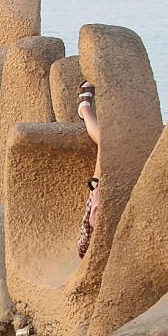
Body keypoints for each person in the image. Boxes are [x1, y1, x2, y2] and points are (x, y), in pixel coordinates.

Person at [77, 81, 101, 259]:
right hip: (103, 188)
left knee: (106, 143)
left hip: (100, 188)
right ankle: (84, 109)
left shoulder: (89, 240)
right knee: (107, 143)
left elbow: (94, 219)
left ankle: (84, 109)